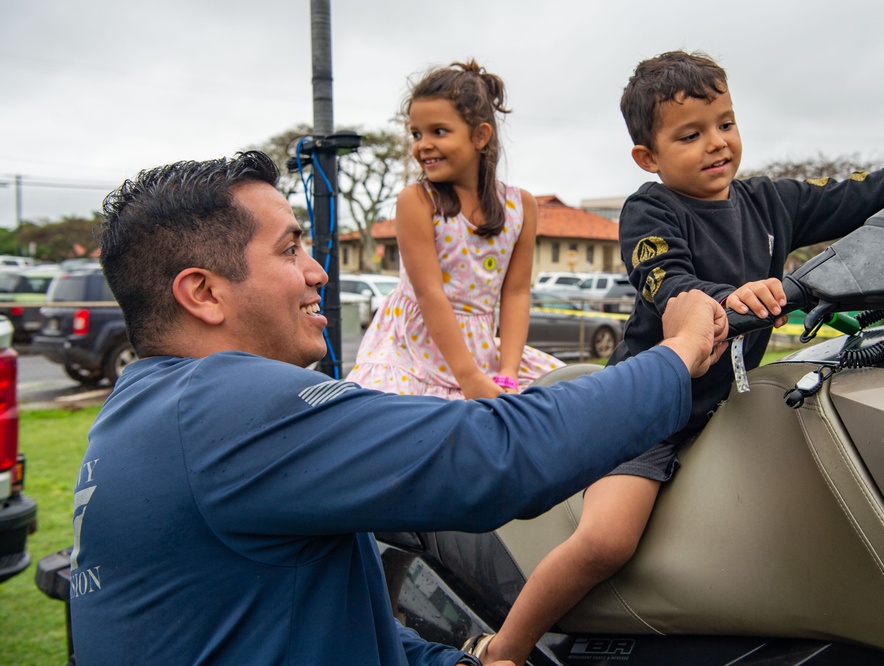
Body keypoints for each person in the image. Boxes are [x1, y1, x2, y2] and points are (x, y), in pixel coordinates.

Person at [68, 150, 729, 665]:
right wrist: (680, 351)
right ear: (204, 294)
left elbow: (311, 615)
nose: (318, 271)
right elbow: (495, 455)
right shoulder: (221, 406)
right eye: (289, 249)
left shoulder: (142, 412)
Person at [474, 50, 884, 664]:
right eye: (690, 135)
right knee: (607, 542)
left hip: (732, 408)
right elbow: (663, 283)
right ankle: (503, 649)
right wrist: (727, 298)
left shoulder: (771, 203)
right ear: (649, 156)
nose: (717, 144)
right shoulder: (652, 209)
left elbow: (875, 190)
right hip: (653, 411)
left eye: (726, 123)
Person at [347, 60, 562, 400]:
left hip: (481, 347)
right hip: (413, 348)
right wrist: (469, 376)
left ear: (480, 135)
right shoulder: (417, 201)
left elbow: (517, 293)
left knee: (561, 399)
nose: (423, 145)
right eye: (416, 134)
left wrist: (507, 370)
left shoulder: (521, 206)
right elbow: (428, 292)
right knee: (405, 425)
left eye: (439, 131)